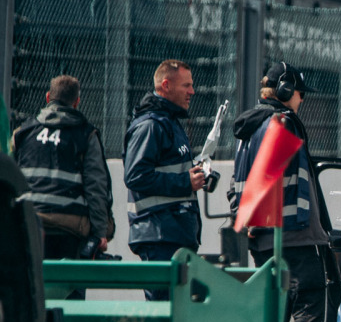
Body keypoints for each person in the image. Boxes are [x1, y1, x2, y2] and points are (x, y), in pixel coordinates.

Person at [229, 61, 332, 322]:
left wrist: (251, 221)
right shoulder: (281, 122)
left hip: (265, 236)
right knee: (310, 295)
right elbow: (270, 179)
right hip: (290, 233)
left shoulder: (250, 128)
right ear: (287, 90)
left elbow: (242, 184)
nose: (302, 100)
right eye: (300, 94)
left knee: (275, 307)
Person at [10, 75, 114, 297]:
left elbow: (10, 181)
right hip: (70, 232)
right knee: (70, 297)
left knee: (32, 296)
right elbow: (96, 187)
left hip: (31, 226)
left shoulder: (23, 133)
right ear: (77, 102)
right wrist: (100, 233)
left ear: (48, 97)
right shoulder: (86, 134)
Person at [123, 59, 203, 300]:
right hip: (159, 235)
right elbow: (136, 176)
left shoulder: (170, 123)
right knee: (164, 313)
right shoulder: (150, 125)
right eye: (186, 85)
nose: (192, 91)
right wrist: (185, 182)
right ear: (166, 85)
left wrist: (195, 177)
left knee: (178, 314)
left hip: (172, 233)